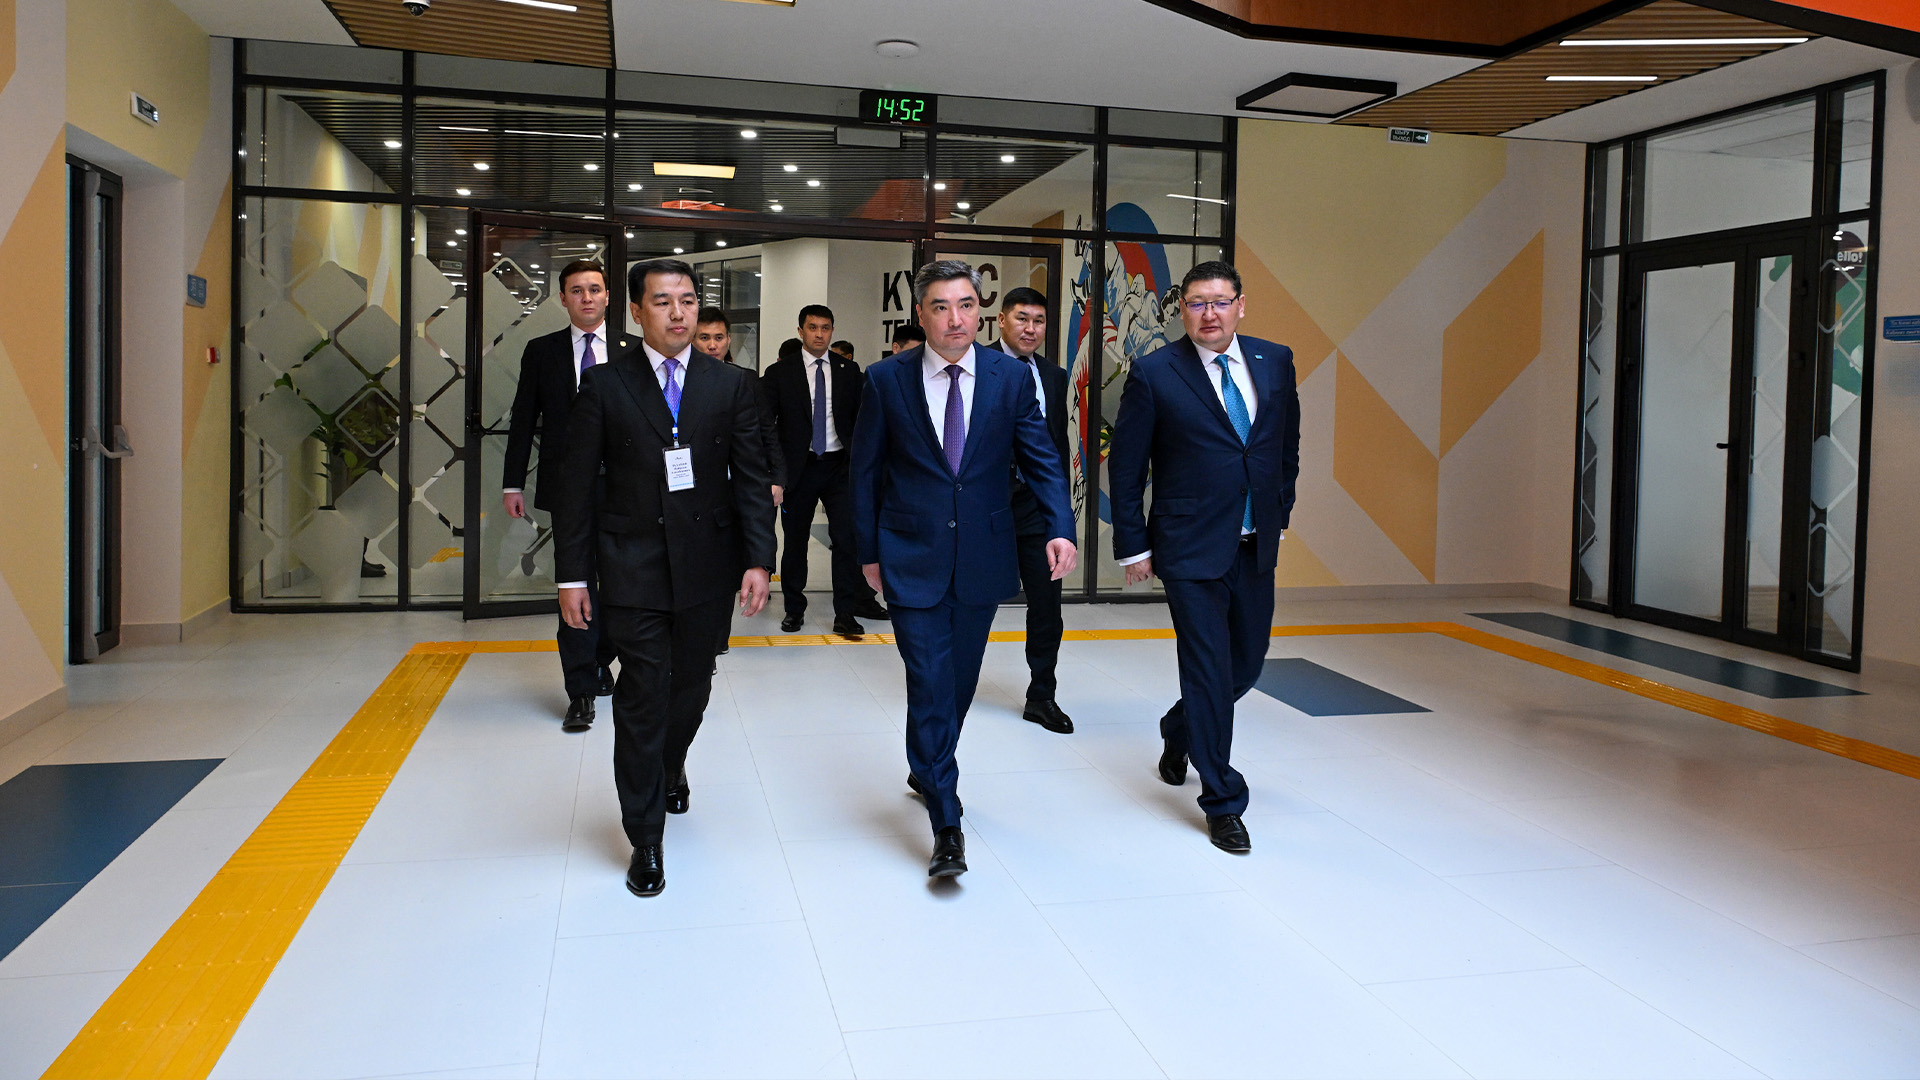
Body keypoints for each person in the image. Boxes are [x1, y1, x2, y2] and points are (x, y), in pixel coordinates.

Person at [551, 257, 776, 898]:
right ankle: (644, 834)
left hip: (708, 562)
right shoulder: (604, 384)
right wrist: (572, 576)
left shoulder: (730, 384)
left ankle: (671, 761)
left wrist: (759, 559)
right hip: (633, 563)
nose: (678, 313)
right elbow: (574, 488)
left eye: (688, 300)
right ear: (636, 310)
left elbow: (752, 478)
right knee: (643, 693)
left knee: (693, 686)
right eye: (662, 302)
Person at [851, 260, 1076, 878]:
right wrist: (867, 553)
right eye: (941, 307)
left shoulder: (1011, 377)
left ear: (981, 312)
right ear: (920, 314)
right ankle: (946, 821)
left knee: (959, 683)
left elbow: (1042, 456)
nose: (955, 319)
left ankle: (926, 764)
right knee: (928, 678)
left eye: (966, 305)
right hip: (909, 552)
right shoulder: (886, 379)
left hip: (983, 553)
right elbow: (864, 474)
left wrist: (1060, 525)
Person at [1107, 260, 1300, 855]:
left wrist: (1279, 512)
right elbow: (1126, 467)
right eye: (1196, 303)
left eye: (1220, 302)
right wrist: (1134, 545)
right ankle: (1222, 800)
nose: (1209, 314)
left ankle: (1179, 726)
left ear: (1241, 305)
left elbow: (1285, 447)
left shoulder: (1275, 360)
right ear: (1182, 310)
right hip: (1188, 546)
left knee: (1247, 666)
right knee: (1209, 670)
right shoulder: (1154, 372)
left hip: (1254, 542)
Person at [501, 259, 628, 734]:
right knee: (575, 583)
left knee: (620, 584)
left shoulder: (632, 350)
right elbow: (523, 418)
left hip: (625, 489)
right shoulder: (542, 351)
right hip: (568, 488)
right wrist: (513, 482)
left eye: (595, 289)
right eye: (577, 290)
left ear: (608, 295)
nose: (587, 297)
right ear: (563, 299)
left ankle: (601, 659)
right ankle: (580, 690)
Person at [759, 305, 888, 636]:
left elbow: (863, 418)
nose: (819, 334)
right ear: (800, 331)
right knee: (796, 541)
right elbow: (766, 425)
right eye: (813, 327)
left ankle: (845, 611)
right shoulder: (780, 373)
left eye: (825, 328)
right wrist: (775, 472)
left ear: (832, 331)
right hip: (799, 468)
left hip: (839, 467)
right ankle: (794, 608)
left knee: (846, 540)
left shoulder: (848, 370)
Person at [987, 287, 1074, 735]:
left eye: (1038, 321)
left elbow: (1056, 445)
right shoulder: (979, 366)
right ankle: (950, 683)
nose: (1030, 329)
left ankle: (1042, 695)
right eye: (1022, 318)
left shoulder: (1054, 376)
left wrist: (1062, 515)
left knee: (1046, 606)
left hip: (1036, 507)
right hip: (988, 506)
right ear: (1001, 320)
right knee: (975, 600)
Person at [694, 305, 781, 657]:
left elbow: (767, 432)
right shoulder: (679, 380)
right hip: (692, 487)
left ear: (729, 340)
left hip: (734, 487)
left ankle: (717, 640)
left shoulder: (744, 379)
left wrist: (777, 477)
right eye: (704, 337)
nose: (712, 345)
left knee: (727, 562)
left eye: (718, 337)